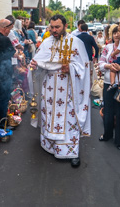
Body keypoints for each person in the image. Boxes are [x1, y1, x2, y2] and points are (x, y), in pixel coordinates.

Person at [29, 14, 91, 167]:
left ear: (65, 26)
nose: (54, 30)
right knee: (49, 115)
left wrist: (70, 68)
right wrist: (34, 65)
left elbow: (84, 67)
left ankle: (72, 152)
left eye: (57, 27)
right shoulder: (46, 42)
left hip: (69, 87)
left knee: (69, 117)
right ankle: (50, 146)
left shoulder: (75, 42)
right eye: (52, 27)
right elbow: (39, 61)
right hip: (49, 86)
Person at [0, 19, 16, 129]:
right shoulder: (4, 39)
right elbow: (11, 52)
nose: (9, 32)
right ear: (5, 28)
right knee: (3, 99)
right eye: (9, 30)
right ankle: (1, 125)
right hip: (3, 75)